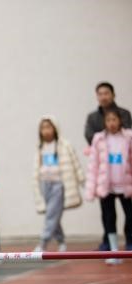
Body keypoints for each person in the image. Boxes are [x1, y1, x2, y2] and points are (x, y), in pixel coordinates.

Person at [84, 82, 132, 251]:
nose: (103, 96)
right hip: (106, 180)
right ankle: (110, 245)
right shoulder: (93, 120)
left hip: (125, 181)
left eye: (106, 93)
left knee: (130, 213)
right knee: (108, 215)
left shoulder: (125, 116)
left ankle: (129, 240)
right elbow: (89, 137)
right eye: (100, 93)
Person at [32, 116, 85, 252]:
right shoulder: (40, 147)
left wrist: (82, 180)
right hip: (45, 184)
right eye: (43, 128)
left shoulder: (64, 145)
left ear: (55, 128)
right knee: (53, 214)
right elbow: (37, 167)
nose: (46, 131)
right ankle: (61, 241)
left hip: (58, 184)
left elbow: (75, 162)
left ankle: (43, 243)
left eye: (48, 127)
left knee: (51, 214)